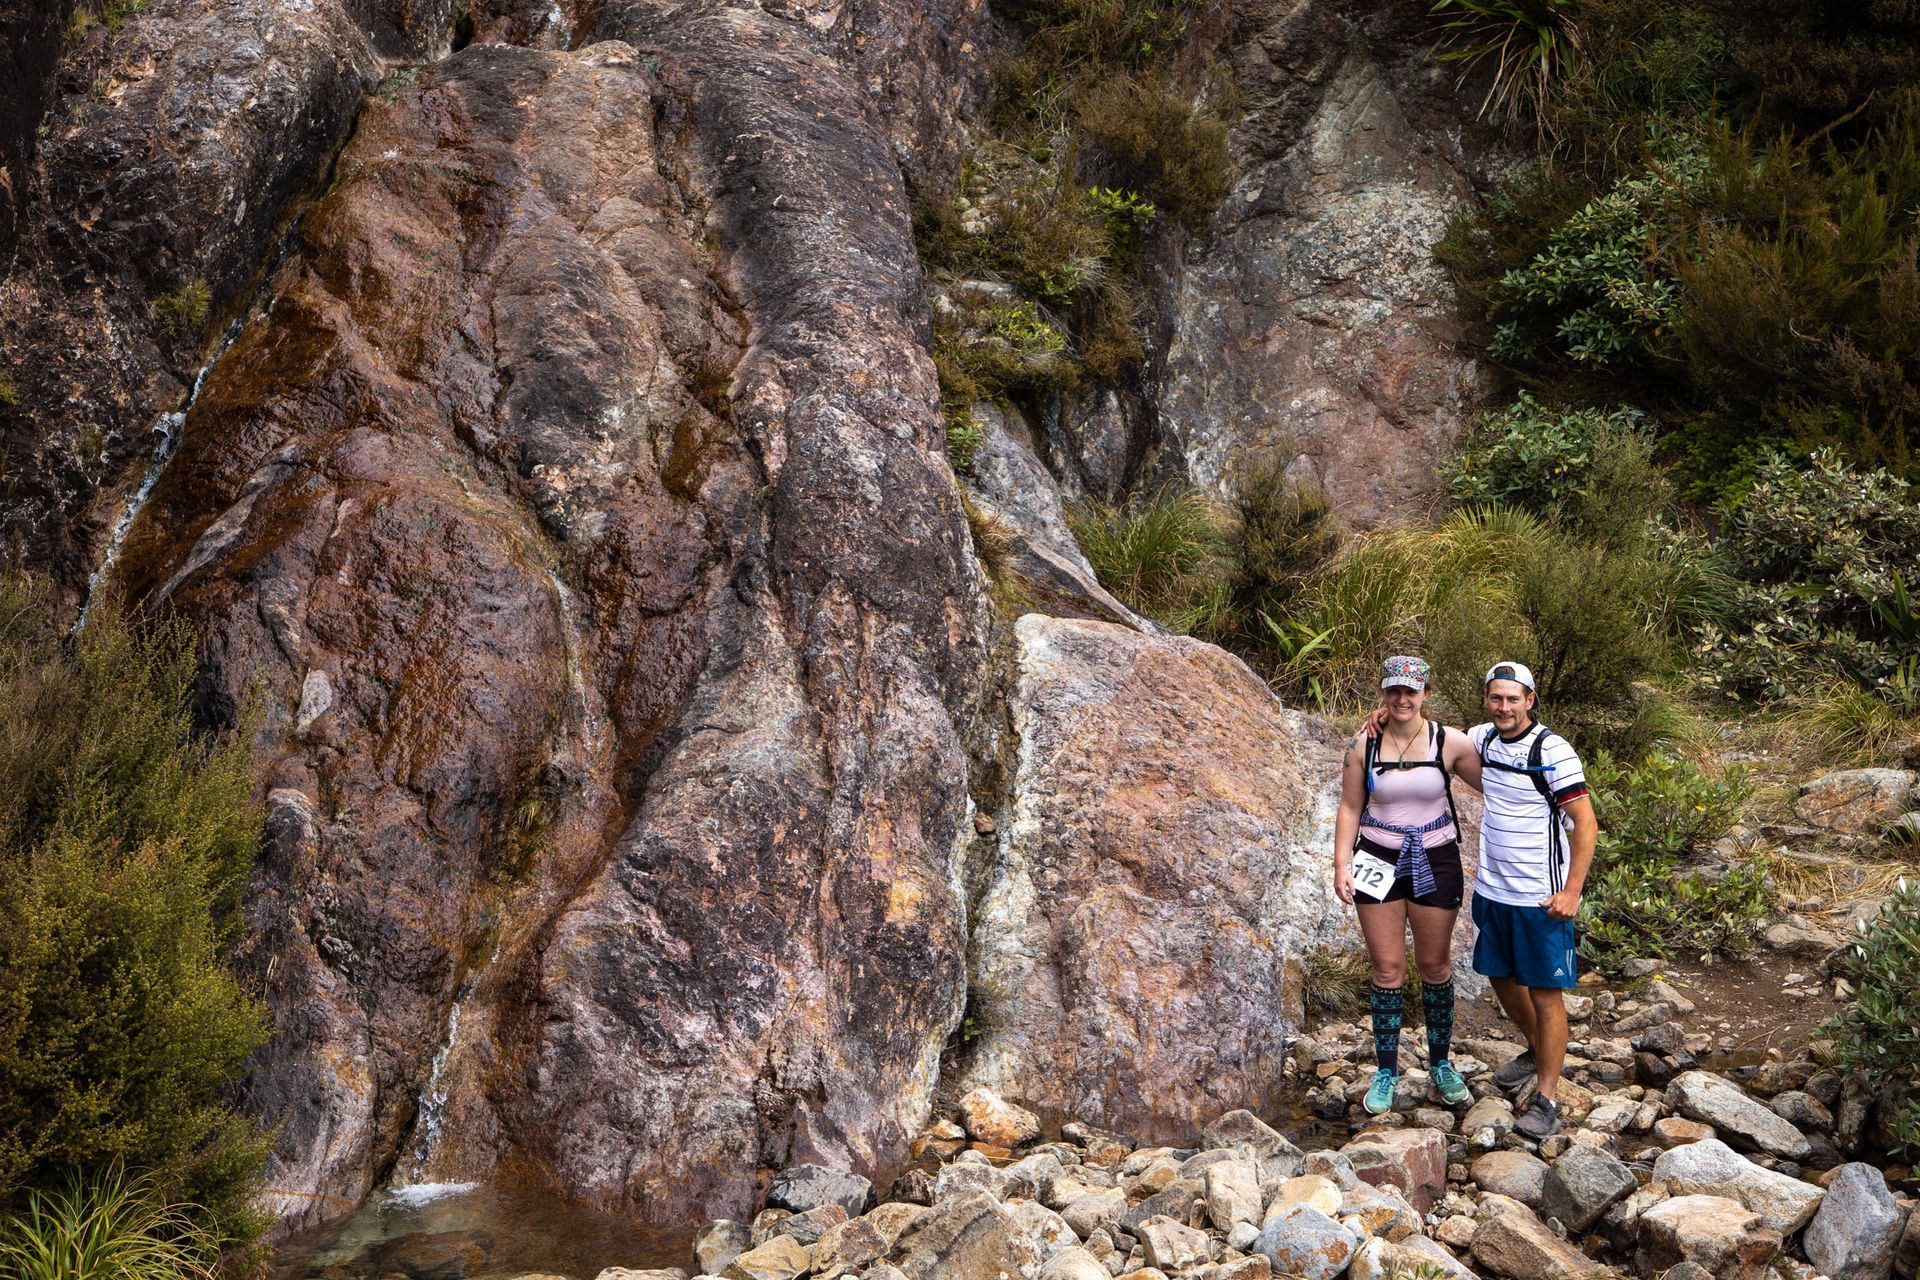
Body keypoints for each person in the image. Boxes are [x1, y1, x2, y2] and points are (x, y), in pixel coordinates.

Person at [1333, 655, 1484, 1116]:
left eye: (1411, 691)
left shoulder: (1449, 742)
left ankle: (1441, 1063)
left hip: (1436, 857)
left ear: (1425, 693)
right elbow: (1348, 806)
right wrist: (1341, 864)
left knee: (1435, 965)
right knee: (1387, 969)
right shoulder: (1365, 744)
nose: (1402, 699)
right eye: (1393, 690)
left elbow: (1498, 784)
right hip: (1376, 857)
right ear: (1383, 692)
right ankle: (1385, 1070)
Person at [1464, 661, 1599, 1139]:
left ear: (1530, 700)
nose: (1504, 707)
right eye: (1496, 698)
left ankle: (1547, 1097)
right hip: (1493, 888)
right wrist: (1379, 719)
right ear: (1487, 700)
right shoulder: (1480, 738)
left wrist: (1572, 891)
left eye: (1513, 699)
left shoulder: (1553, 750)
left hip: (1541, 895)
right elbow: (1426, 737)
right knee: (1500, 978)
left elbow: (1585, 823)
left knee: (1545, 994)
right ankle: (1534, 1050)